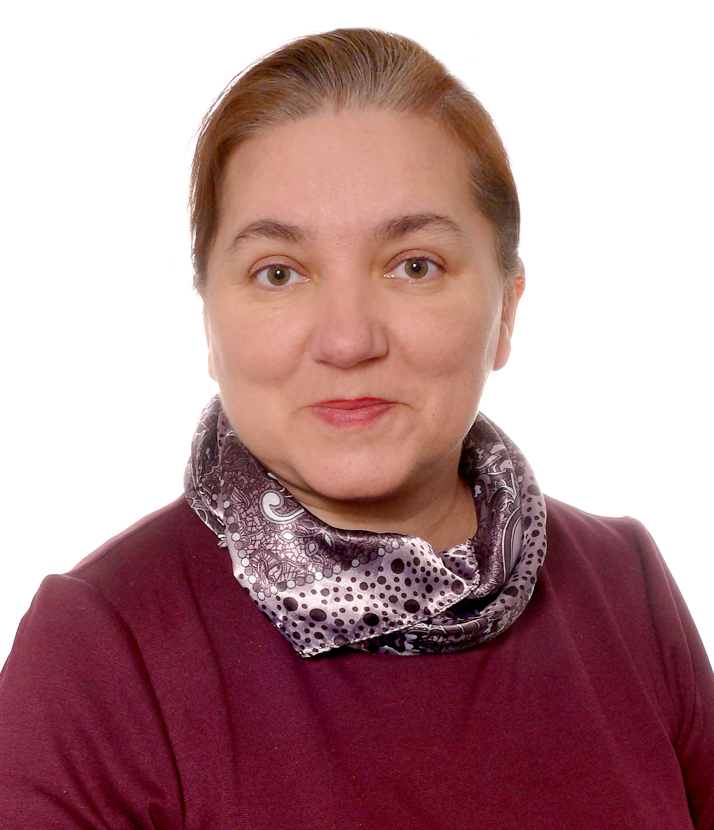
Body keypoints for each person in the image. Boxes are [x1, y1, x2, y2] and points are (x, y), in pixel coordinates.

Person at [0, 27, 712, 829]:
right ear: (211, 323)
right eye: (279, 273)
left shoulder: (626, 587)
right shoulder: (103, 649)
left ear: (507, 311)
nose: (347, 341)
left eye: (414, 265)